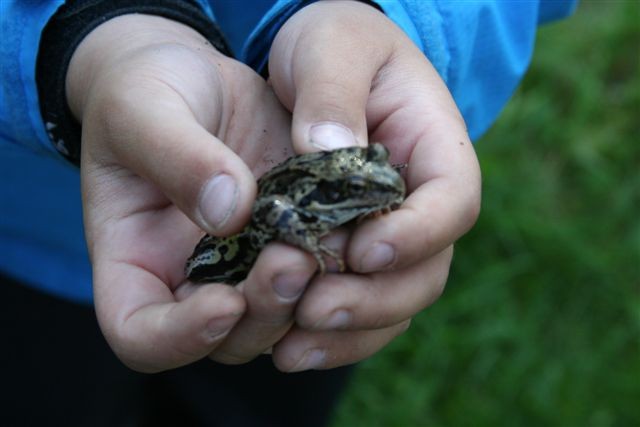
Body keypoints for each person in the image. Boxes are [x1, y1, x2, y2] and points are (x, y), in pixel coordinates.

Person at [0, 1, 578, 425]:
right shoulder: (304, 203)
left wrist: (392, 21)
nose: (381, 182)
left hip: (276, 300)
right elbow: (273, 210)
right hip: (49, 236)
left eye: (374, 168)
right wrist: (89, 32)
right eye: (358, 181)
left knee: (268, 393)